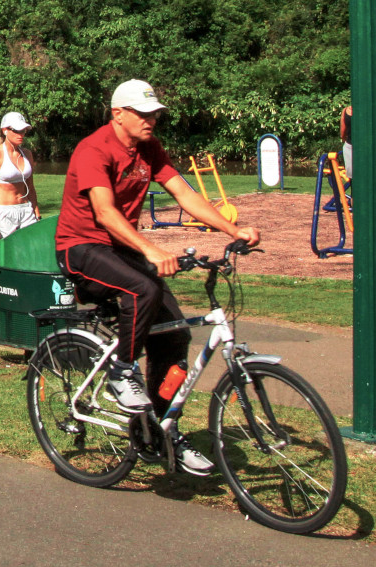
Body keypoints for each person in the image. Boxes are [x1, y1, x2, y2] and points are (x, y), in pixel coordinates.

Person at [55, 79, 260, 476]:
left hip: (121, 248)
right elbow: (105, 212)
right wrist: (150, 250)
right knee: (143, 288)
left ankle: (159, 431)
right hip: (80, 247)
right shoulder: (92, 149)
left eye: (155, 114)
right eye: (143, 114)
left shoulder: (150, 149)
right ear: (118, 114)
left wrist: (232, 231)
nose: (152, 120)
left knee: (175, 334)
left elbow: (185, 193)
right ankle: (122, 370)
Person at [0, 112, 41, 242]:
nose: (21, 134)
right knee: (6, 257)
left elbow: (30, 187)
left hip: (26, 210)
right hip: (4, 213)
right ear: (5, 131)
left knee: (31, 252)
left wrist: (35, 210)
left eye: (24, 130)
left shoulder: (27, 154)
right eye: (17, 130)